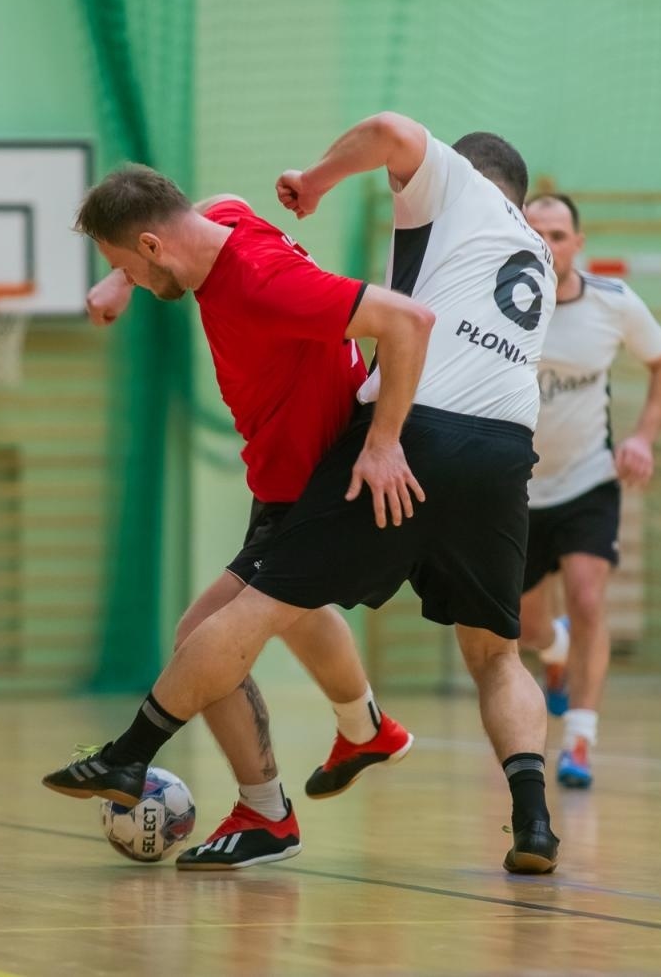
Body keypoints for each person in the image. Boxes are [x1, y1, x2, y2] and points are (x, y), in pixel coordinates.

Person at [44, 111, 562, 873]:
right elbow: (198, 213)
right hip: (506, 449)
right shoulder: (535, 252)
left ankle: (161, 764)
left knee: (231, 619)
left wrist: (315, 180)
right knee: (493, 654)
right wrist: (122, 276)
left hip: (397, 434)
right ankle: (529, 819)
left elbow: (393, 166)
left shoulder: (437, 196)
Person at [52, 174, 428, 870]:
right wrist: (121, 281)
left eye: (131, 264)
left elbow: (407, 319)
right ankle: (365, 729)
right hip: (282, 473)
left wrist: (384, 442)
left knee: (202, 636)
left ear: (152, 245)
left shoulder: (260, 281)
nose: (137, 281)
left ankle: (265, 812)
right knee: (292, 609)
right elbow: (211, 205)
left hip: (311, 479)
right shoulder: (221, 222)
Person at [513, 193, 661, 788]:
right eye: (534, 233)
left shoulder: (614, 302)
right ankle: (554, 650)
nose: (545, 245)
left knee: (587, 600)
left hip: (588, 479)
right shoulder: (495, 302)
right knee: (527, 628)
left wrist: (643, 439)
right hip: (518, 488)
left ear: (577, 244)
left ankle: (579, 740)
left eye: (557, 235)